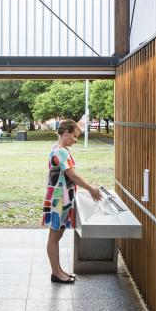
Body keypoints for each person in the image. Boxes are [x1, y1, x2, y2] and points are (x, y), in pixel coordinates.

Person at [43, 119, 101, 283]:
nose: (76, 141)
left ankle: (59, 270)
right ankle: (56, 273)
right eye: (75, 137)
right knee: (54, 237)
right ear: (66, 132)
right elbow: (73, 176)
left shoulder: (59, 149)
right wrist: (91, 189)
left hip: (60, 197)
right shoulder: (61, 151)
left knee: (57, 236)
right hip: (59, 199)